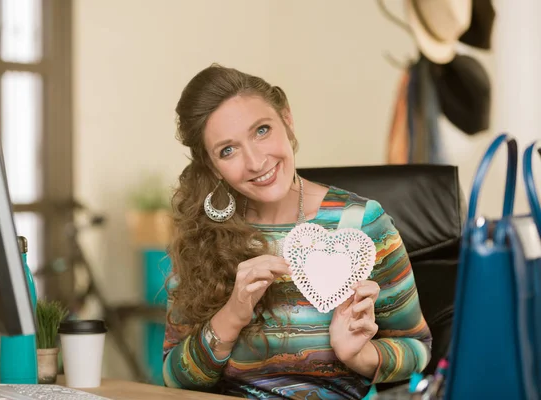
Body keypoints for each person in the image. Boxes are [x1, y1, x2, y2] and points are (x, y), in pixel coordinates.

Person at [163, 64, 432, 399]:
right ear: (212, 165)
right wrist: (232, 314)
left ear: (287, 120)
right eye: (227, 150)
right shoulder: (204, 233)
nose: (256, 161)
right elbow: (175, 377)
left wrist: (358, 355)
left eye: (261, 130)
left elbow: (418, 349)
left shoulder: (363, 224)